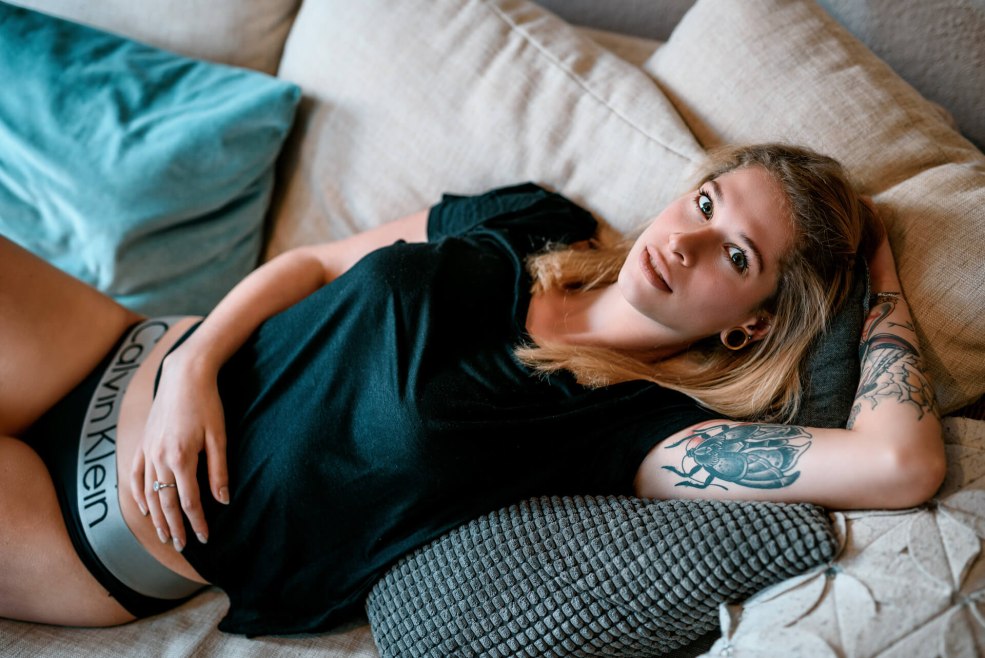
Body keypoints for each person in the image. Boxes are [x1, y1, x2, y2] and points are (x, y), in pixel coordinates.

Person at [0, 143, 944, 635]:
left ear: (752, 325)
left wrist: (881, 275)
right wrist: (192, 368)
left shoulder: (640, 428)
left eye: (734, 256)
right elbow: (316, 264)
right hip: (124, 351)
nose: (686, 242)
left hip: (97, 520)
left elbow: (897, 462)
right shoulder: (534, 219)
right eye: (705, 203)